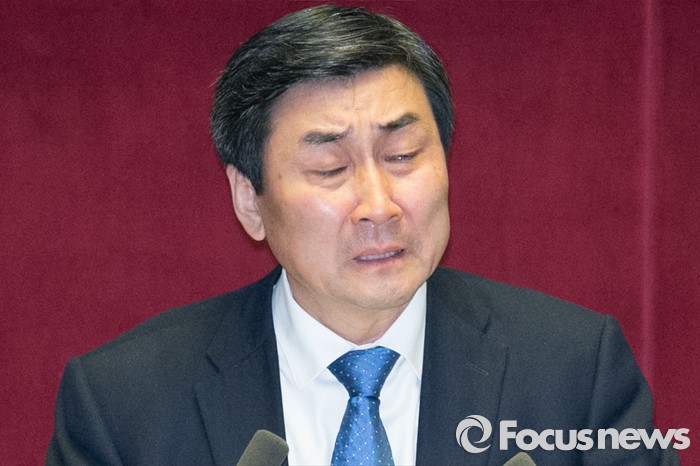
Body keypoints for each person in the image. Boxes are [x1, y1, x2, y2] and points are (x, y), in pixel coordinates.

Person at [46, 5, 679, 465]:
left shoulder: (576, 373)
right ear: (249, 201)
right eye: (330, 168)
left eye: (403, 155)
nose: (379, 205)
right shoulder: (125, 406)